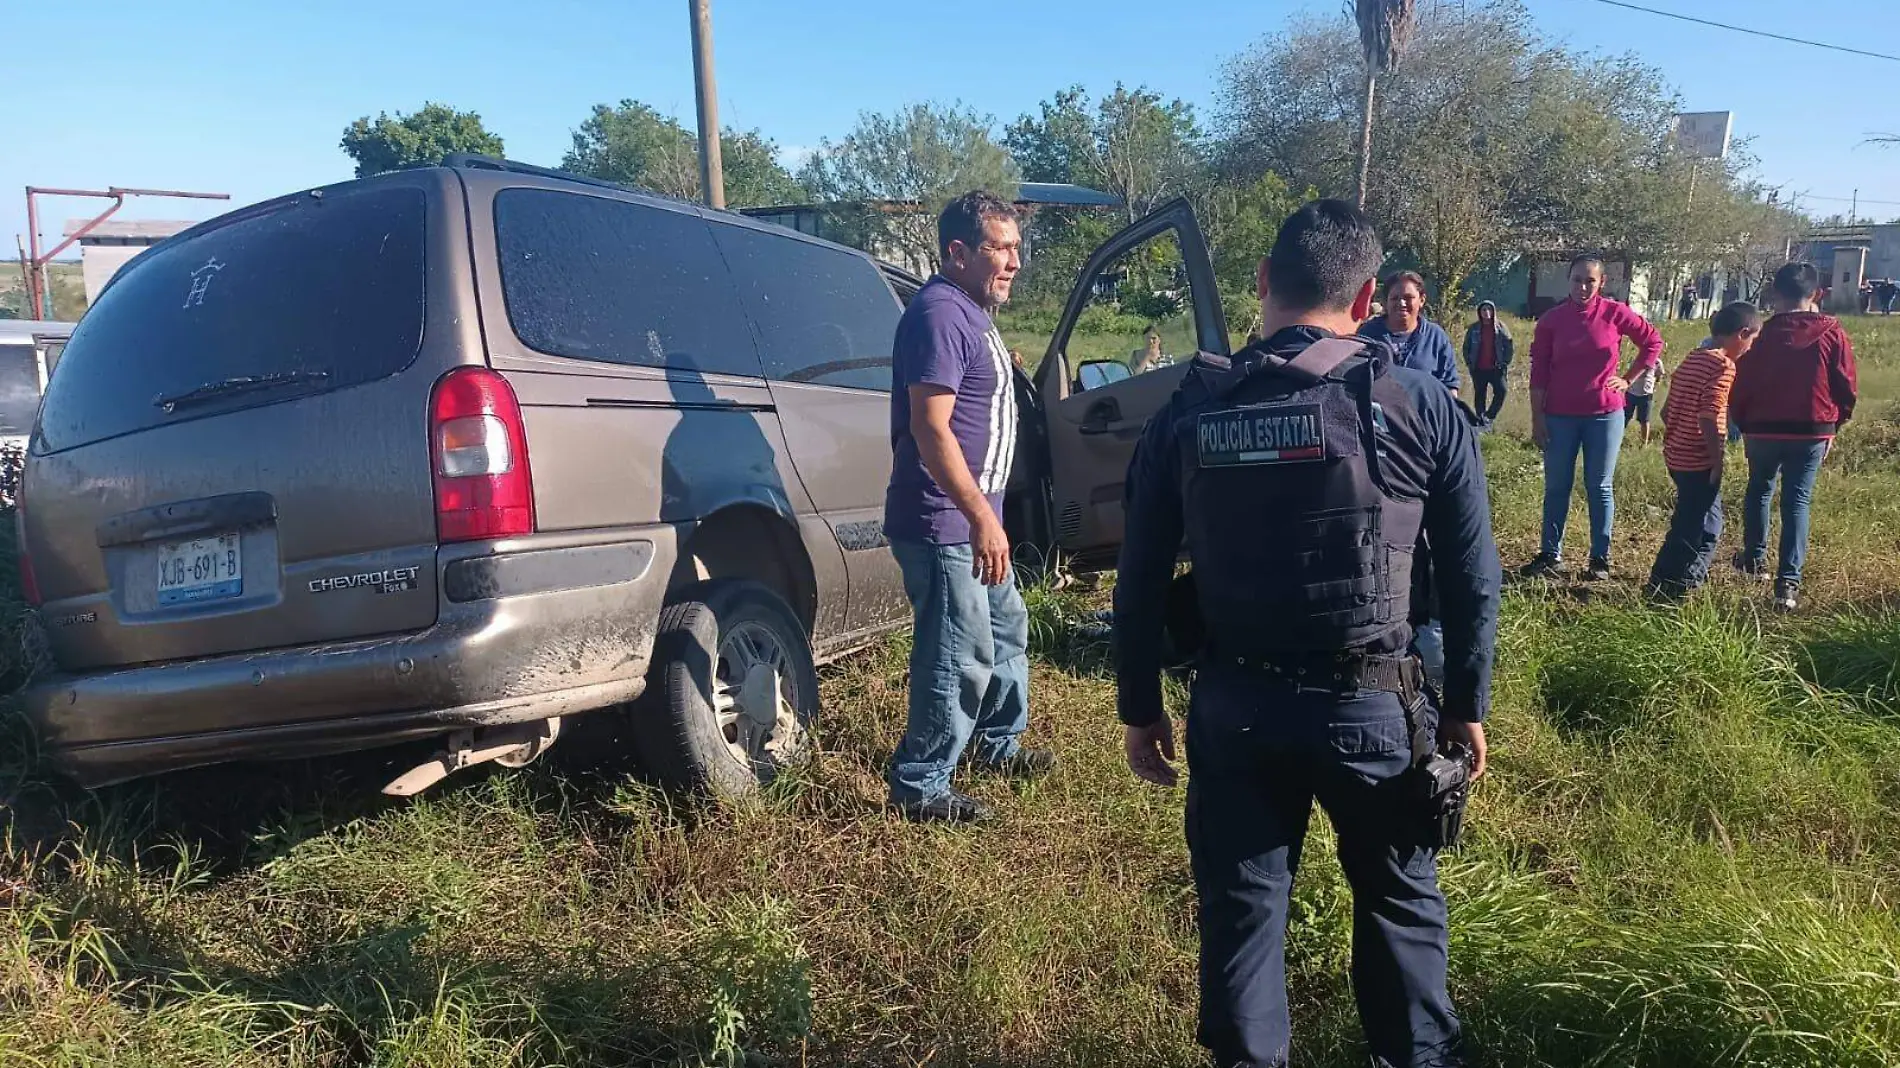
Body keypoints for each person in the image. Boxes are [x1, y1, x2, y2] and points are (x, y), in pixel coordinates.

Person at [1115, 199, 1499, 1068]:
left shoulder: (1189, 407)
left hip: (1236, 707)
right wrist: (1467, 704)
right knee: (1400, 912)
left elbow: (1137, 575)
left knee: (1243, 918)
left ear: (1261, 285)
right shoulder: (1420, 403)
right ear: (1367, 298)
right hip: (1377, 711)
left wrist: (1139, 704)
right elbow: (1475, 573)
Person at [882, 190, 1055, 823]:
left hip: (978, 521)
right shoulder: (938, 314)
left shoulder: (969, 313)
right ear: (957, 252)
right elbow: (931, 429)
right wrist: (982, 517)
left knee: (1007, 630)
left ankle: (997, 744)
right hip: (945, 522)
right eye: (999, 248)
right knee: (959, 650)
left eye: (1016, 247)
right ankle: (922, 782)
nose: (1013, 261)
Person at [1522, 255, 1664, 581]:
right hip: (1559, 415)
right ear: (1568, 281)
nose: (1583, 286)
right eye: (1577, 280)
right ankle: (1550, 554)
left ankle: (1600, 558)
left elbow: (1652, 342)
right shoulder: (1551, 321)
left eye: (1590, 280)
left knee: (1599, 485)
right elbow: (1539, 372)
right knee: (1557, 486)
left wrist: (1628, 379)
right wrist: (1537, 418)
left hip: (1604, 414)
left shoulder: (1615, 313)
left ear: (1602, 283)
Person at [1729, 262, 1859, 613]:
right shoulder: (1833, 332)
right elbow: (1845, 384)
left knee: (1759, 489)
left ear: (1775, 293)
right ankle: (1787, 583)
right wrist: (1836, 423)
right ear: (1817, 294)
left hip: (1762, 428)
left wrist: (1740, 420)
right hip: (1812, 429)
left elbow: (1742, 381)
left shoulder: (1761, 334)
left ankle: (1755, 561)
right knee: (1796, 502)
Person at [1646, 302, 1762, 600]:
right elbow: (1709, 415)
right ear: (1742, 333)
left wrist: (1679, 437)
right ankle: (1672, 583)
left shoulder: (1693, 358)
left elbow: (1666, 411)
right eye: (1752, 341)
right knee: (1692, 528)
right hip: (1699, 460)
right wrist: (1716, 459)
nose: (1751, 348)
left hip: (1677, 455)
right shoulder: (1723, 366)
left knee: (1703, 522)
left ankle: (1677, 581)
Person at [1359, 270, 1461, 394]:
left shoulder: (1436, 337)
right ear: (1385, 302)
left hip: (1422, 412)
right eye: (1395, 298)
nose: (1401, 303)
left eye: (1408, 298)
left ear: (1422, 300)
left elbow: (1450, 387)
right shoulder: (1367, 334)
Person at [1461, 300, 1513, 425]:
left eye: (1489, 309)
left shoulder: (1501, 327)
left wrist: (1505, 362)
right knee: (1480, 394)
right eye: (1484, 310)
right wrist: (1469, 362)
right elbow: (1466, 346)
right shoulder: (1474, 329)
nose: (1486, 312)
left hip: (1496, 367)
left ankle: (1489, 416)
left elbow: (1509, 345)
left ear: (1493, 311)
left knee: (1502, 391)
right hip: (1478, 368)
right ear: (1480, 312)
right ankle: (1480, 420)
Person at [1623, 350, 1663, 447]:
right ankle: (1618, 438)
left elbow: (1659, 375)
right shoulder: (1634, 359)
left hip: (1646, 395)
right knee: (1625, 417)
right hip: (1631, 392)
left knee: (1644, 420)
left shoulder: (1657, 362)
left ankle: (1644, 444)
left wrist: (1654, 386)